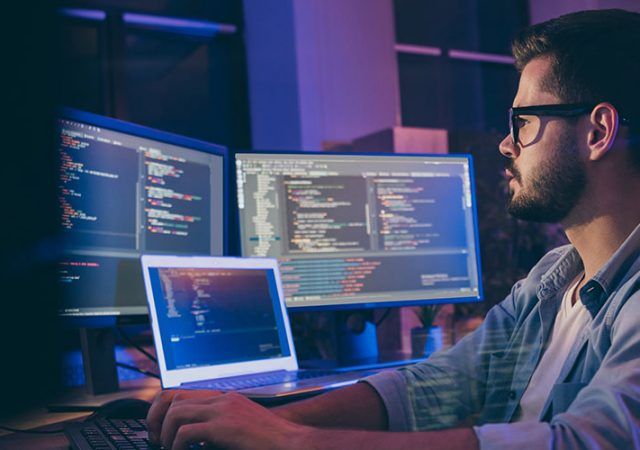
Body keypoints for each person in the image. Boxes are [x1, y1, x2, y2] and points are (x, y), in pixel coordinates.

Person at [146, 9, 640, 449]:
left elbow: (592, 440)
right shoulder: (552, 280)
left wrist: (291, 439)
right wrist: (255, 422)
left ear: (597, 132)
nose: (507, 146)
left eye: (524, 122)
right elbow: (441, 384)